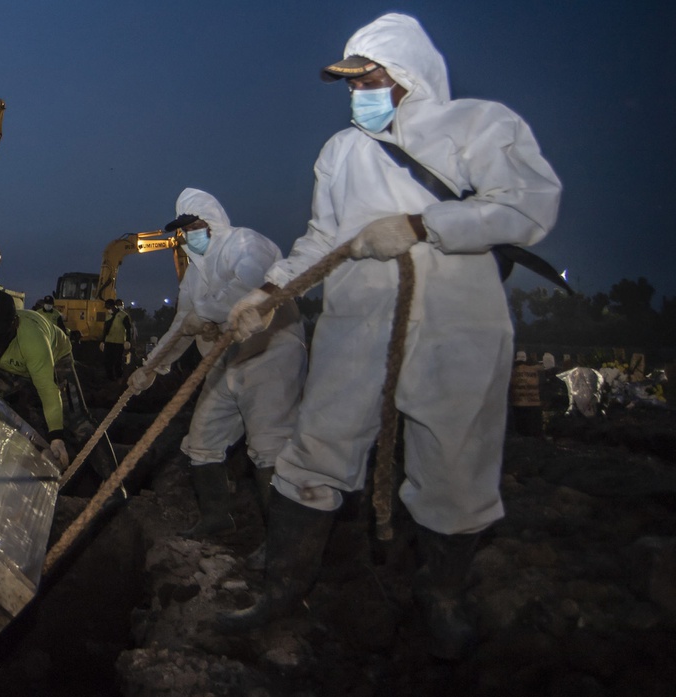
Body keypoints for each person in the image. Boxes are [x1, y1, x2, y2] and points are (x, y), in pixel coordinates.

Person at [221, 14, 561, 659]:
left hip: (457, 322)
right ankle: (282, 589)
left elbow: (528, 206)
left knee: (455, 458)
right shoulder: (341, 152)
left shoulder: (481, 125)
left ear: (404, 75)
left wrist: (422, 224)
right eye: (350, 84)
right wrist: (271, 291)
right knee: (317, 445)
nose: (358, 94)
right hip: (357, 321)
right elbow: (322, 239)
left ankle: (444, 596)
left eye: (368, 79)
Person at [129, 189, 307, 548]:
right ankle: (216, 517)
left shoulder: (243, 243)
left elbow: (252, 285)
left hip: (272, 347)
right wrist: (150, 368)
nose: (188, 234)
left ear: (211, 222)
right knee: (202, 439)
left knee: (269, 445)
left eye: (194, 226)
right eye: (183, 229)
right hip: (230, 356)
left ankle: (283, 547)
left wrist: (207, 313)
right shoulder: (192, 277)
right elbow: (181, 326)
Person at [0, 289, 117, 479]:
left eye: (1, 337)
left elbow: (47, 390)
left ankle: (113, 483)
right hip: (9, 367)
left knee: (78, 421)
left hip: (55, 358)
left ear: (15, 324)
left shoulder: (33, 339)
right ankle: (17, 457)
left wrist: (56, 437)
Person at [101, 298, 134, 381]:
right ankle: (110, 379)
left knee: (117, 362)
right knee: (107, 362)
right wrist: (102, 341)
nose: (108, 310)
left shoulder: (123, 315)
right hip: (109, 342)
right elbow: (105, 329)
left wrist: (128, 340)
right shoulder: (108, 316)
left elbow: (128, 328)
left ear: (114, 306)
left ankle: (119, 378)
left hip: (119, 342)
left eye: (109, 307)